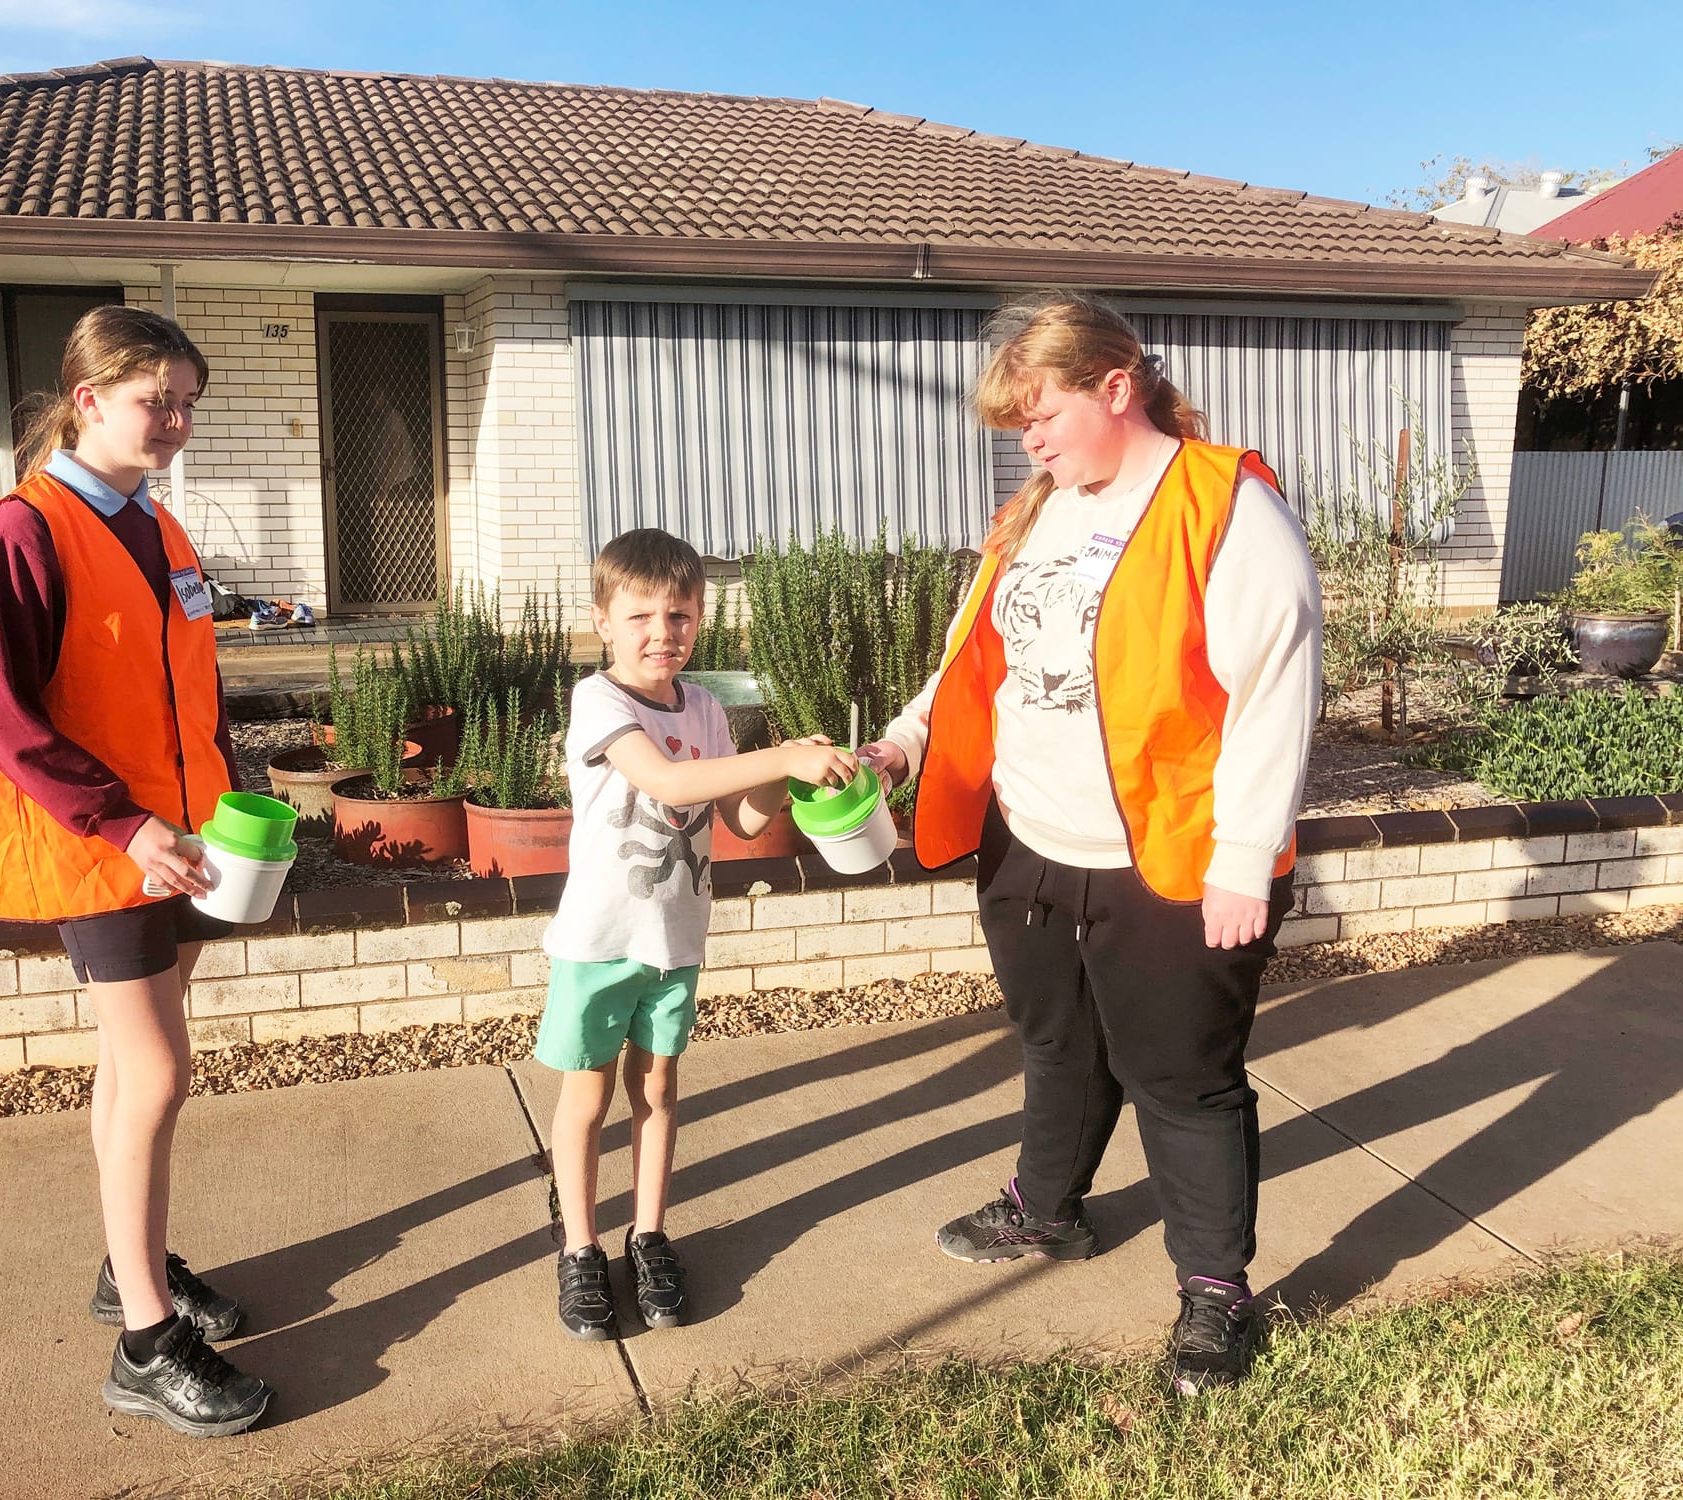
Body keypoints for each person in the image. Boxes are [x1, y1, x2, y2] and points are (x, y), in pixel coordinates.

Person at [858, 293, 1322, 1395]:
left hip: (1169, 856)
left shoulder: (1223, 504)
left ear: (1116, 387)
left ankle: (1214, 1294)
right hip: (1027, 844)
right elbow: (980, 651)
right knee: (1056, 1048)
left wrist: (1240, 858)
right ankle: (1046, 1210)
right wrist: (903, 740)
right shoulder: (1038, 510)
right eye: (1016, 420)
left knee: (1180, 1077)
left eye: (1040, 411)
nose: (1027, 437)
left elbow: (1275, 691)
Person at [0, 306, 272, 1437]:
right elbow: (1, 718)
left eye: (187, 404)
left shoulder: (156, 526)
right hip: (104, 851)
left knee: (130, 1073)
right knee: (158, 1076)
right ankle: (144, 1343)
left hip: (175, 844)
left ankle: (124, 1266)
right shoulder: (22, 534)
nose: (175, 422)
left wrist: (221, 798)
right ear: (85, 400)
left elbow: (188, 684)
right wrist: (124, 825)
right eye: (155, 402)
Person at [538, 529, 857, 1339]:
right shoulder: (600, 702)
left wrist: (786, 779)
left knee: (657, 1092)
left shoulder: (706, 708)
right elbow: (670, 782)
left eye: (679, 615)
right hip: (601, 941)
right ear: (602, 621)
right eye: (640, 615)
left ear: (701, 619)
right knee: (590, 1097)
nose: (661, 633)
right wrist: (778, 751)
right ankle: (581, 1249)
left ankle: (648, 1235)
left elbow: (739, 818)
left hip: (676, 940)